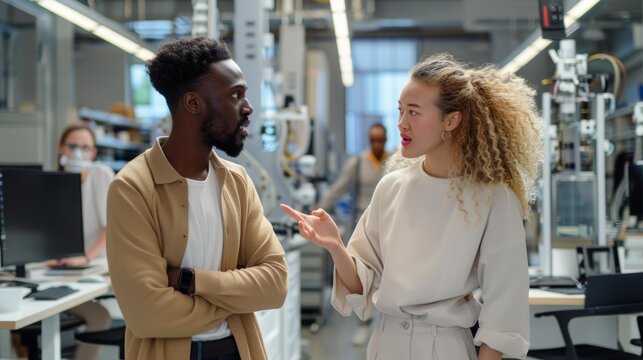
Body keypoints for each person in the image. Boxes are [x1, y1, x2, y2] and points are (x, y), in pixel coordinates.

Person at [281, 53, 541, 359]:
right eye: (400, 111)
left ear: (451, 120)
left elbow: (503, 311)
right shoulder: (391, 188)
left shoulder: (494, 198)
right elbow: (362, 287)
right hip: (385, 343)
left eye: (414, 113)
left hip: (445, 348)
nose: (401, 123)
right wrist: (336, 246)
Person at [106, 37, 288, 360]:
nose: (248, 108)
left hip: (237, 350)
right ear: (193, 104)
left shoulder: (237, 183)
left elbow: (275, 284)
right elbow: (147, 313)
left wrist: (190, 281)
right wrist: (235, 299)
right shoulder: (133, 188)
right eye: (236, 95)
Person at [316, 123, 389, 346]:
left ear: (385, 140)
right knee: (363, 278)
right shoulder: (357, 163)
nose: (377, 144)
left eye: (381, 140)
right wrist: (318, 209)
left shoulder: (395, 161)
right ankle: (363, 324)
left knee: (387, 279)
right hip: (364, 227)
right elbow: (339, 188)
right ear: (369, 139)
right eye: (373, 139)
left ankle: (383, 324)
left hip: (389, 228)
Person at [53, 122, 115, 360]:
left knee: (100, 317)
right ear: (61, 148)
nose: (78, 153)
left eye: (85, 148)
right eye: (72, 146)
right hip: (62, 268)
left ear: (94, 153)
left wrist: (86, 257)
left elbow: (113, 226)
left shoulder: (101, 175)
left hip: (97, 264)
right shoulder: (50, 183)